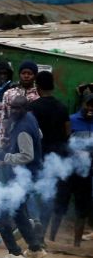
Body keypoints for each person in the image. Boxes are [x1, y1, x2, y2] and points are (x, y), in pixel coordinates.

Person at [0, 95, 47, 258]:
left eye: (18, 108)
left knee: (1, 212)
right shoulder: (30, 118)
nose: (15, 111)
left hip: (22, 178)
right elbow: (39, 134)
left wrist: (6, 155)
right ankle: (35, 248)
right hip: (28, 177)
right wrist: (12, 142)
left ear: (25, 108)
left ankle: (15, 253)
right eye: (13, 107)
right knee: (18, 213)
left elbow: (27, 155)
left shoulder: (23, 127)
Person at [27, 71, 71, 239]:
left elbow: (29, 132)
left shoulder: (33, 107)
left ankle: (34, 221)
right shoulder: (62, 107)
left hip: (37, 157)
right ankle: (41, 235)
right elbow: (68, 131)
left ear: (37, 87)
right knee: (48, 195)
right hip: (56, 159)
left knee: (28, 191)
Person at [48, 94, 93, 246]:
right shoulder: (71, 120)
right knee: (60, 206)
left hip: (86, 174)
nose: (91, 108)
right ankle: (51, 239)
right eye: (88, 104)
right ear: (83, 104)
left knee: (82, 209)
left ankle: (77, 244)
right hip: (67, 171)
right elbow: (62, 142)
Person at [0, 60, 40, 153]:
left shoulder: (38, 95)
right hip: (11, 140)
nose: (26, 76)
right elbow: (4, 119)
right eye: (23, 73)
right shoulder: (9, 94)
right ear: (19, 74)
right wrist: (0, 145)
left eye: (30, 73)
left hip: (30, 139)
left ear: (35, 76)